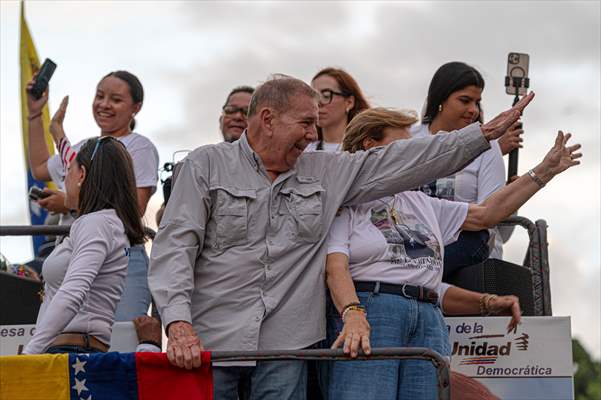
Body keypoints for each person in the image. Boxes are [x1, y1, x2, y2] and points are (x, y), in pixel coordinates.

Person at [148, 74, 533, 399]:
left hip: (288, 348)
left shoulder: (326, 170)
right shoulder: (205, 164)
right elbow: (176, 248)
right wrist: (178, 324)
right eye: (304, 123)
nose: (313, 134)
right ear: (267, 118)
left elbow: (403, 161)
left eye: (315, 123)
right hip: (212, 340)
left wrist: (478, 137)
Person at [325, 107, 581, 400]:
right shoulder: (346, 199)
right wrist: (353, 313)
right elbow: (336, 268)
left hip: (429, 317)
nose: (413, 156)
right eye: (403, 147)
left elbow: (487, 213)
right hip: (374, 311)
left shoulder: (423, 202)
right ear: (369, 146)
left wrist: (544, 171)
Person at [25, 70, 159, 321]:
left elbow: (135, 208)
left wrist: (68, 204)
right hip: (72, 254)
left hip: (119, 258)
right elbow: (41, 167)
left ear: (136, 108)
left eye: (116, 100)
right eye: (99, 96)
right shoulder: (84, 148)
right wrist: (34, 114)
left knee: (118, 341)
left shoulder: (139, 147)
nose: (104, 105)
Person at [22, 137, 146, 354]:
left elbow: (73, 290)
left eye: (68, 171)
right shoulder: (107, 223)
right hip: (76, 348)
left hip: (71, 352)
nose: (64, 181)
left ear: (82, 174)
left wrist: (30, 353)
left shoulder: (96, 223)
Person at [412, 61, 520, 277]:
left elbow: (490, 214)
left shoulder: (487, 147)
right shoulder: (409, 138)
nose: (473, 110)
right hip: (411, 247)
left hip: (465, 257)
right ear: (440, 99)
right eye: (465, 100)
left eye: (477, 102)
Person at [306, 67, 370, 152]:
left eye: (326, 95)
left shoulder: (364, 150)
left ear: (349, 102)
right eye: (314, 96)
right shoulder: (303, 151)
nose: (318, 103)